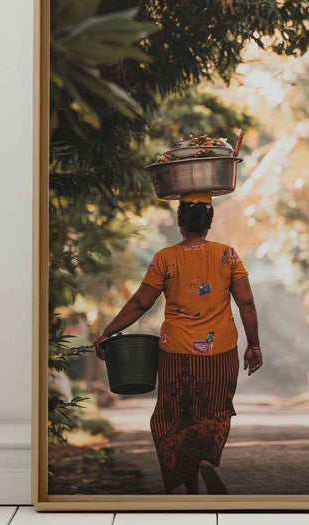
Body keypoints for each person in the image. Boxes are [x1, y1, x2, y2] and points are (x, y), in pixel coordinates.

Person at [94, 192, 262, 494]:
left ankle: (192, 483)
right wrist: (254, 345)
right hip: (220, 353)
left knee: (172, 420)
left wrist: (108, 331)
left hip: (176, 353)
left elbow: (139, 304)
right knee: (214, 413)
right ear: (208, 224)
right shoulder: (228, 256)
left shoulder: (165, 258)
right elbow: (246, 302)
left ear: (179, 224)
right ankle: (205, 462)